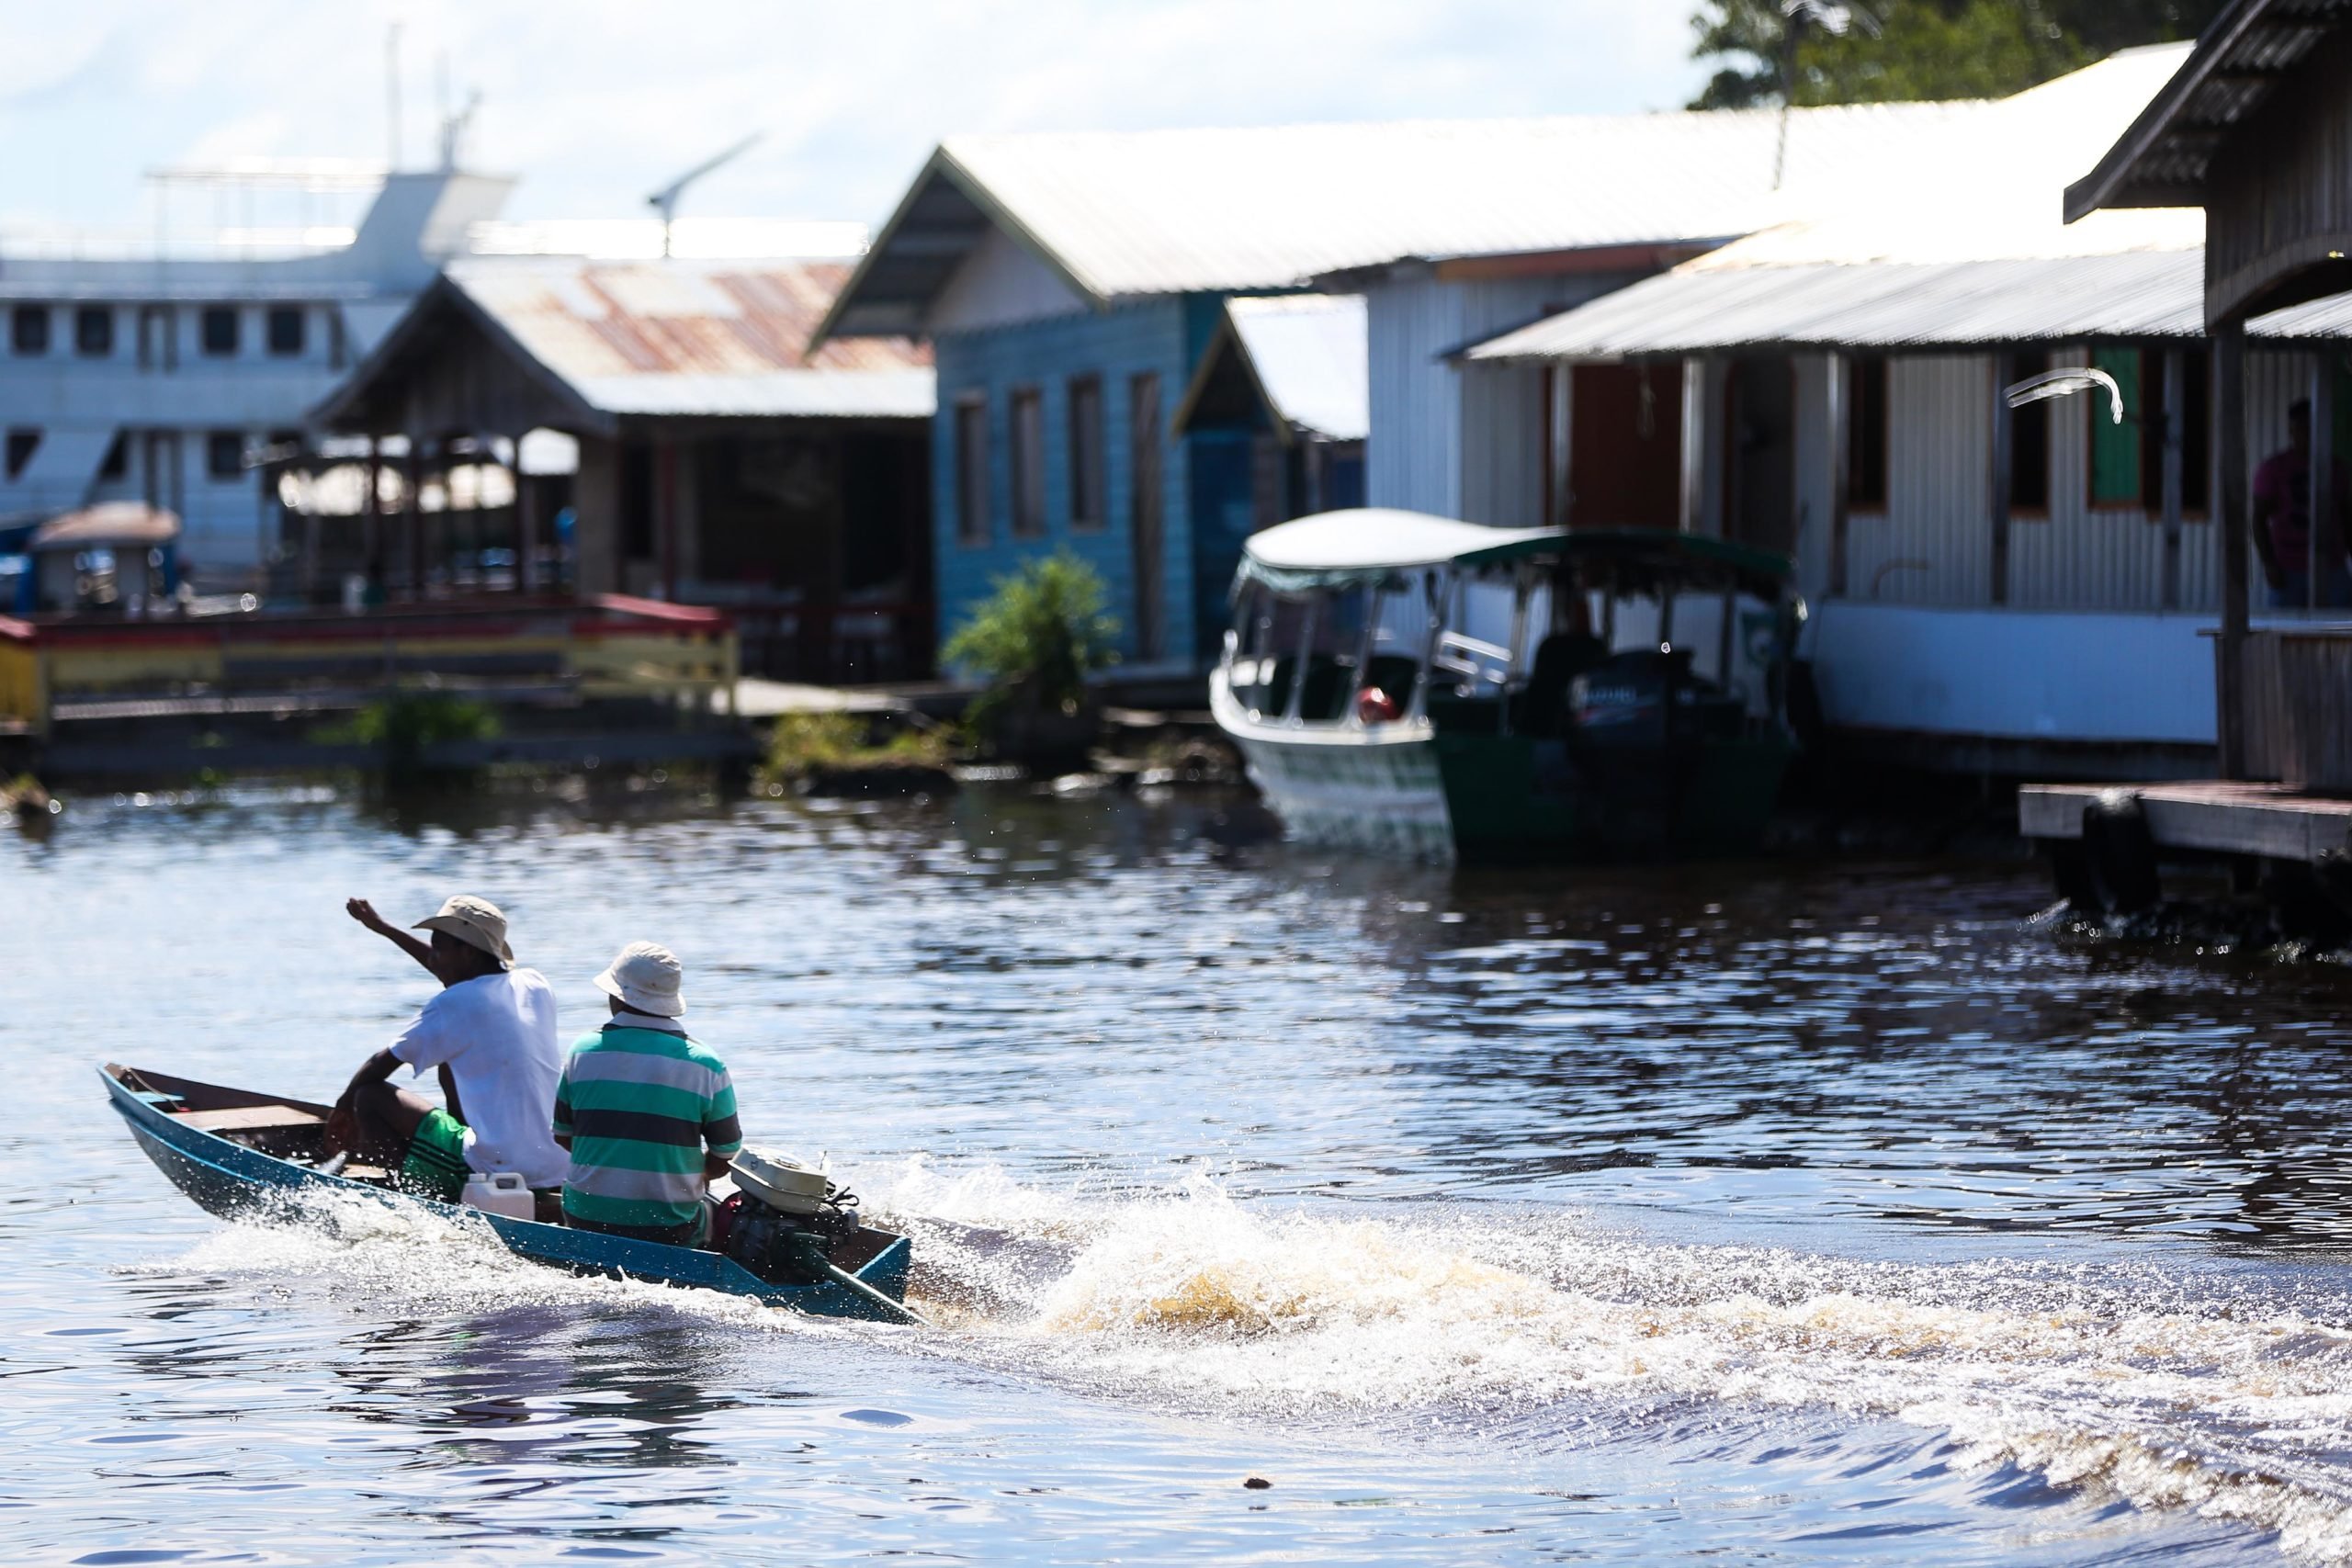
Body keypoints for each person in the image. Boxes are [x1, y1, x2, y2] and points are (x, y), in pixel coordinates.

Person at [325, 895, 570, 1203]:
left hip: (500, 1164)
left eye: (439, 948)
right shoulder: (535, 984)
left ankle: (408, 1199)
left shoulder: (454, 1004)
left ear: (466, 951)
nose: (433, 959)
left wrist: (343, 1109)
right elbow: (455, 975)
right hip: (558, 1162)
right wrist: (383, 928)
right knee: (449, 1058)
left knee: (369, 1096)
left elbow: (380, 1064)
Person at [553, 942, 743, 1246]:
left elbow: (563, 1136)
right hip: (670, 1227)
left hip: (584, 1216)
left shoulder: (582, 1052)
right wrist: (691, 1178)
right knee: (719, 1212)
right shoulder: (707, 1065)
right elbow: (725, 1155)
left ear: (617, 995)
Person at [2252, 398, 2352, 609]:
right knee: (2284, 630)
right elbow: (2258, 518)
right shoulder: (2274, 468)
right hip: (2289, 568)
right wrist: (2269, 564)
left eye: (2312, 427)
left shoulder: (2336, 469)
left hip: (2332, 566)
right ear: (2292, 430)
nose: (2307, 434)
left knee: (2340, 627)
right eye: (2301, 428)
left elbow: (2346, 516)